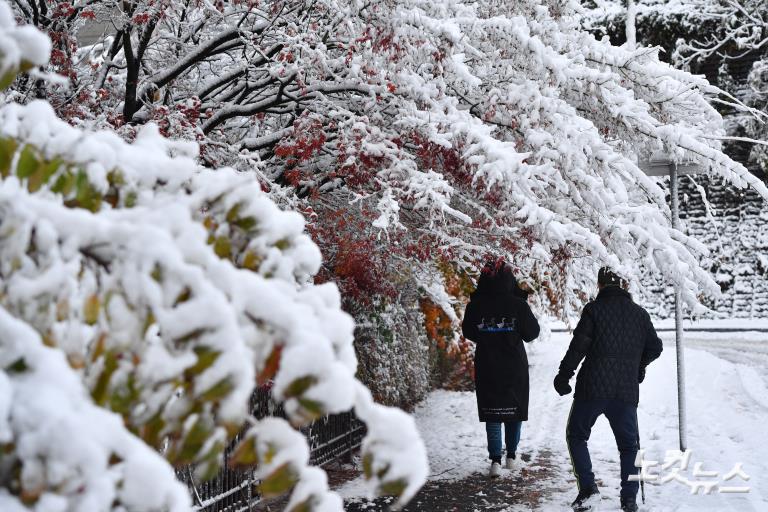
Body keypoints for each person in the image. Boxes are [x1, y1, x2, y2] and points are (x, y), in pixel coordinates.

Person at [553, 267, 663, 512]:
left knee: (577, 436)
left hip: (592, 388)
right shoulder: (640, 314)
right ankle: (629, 499)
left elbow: (578, 347)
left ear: (600, 285)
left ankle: (588, 489)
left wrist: (564, 375)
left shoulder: (594, 310)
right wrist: (638, 366)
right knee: (629, 447)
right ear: (622, 286)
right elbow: (655, 347)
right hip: (625, 391)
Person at [462, 258, 540, 478]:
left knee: (492, 412)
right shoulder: (518, 305)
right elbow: (532, 333)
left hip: (487, 365)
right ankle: (512, 455)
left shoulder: (476, 305)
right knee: (513, 410)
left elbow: (468, 332)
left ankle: (495, 459)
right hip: (514, 366)